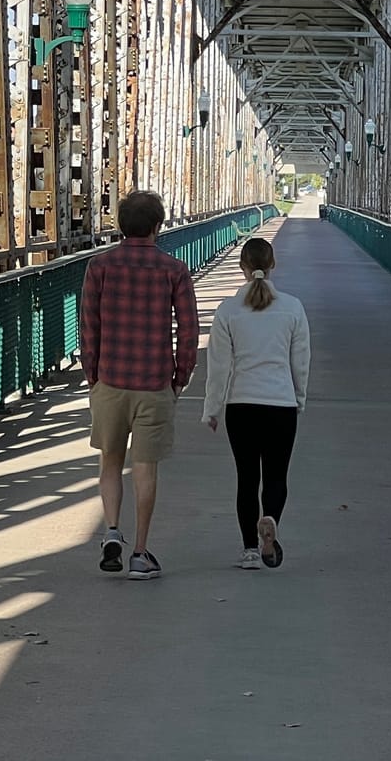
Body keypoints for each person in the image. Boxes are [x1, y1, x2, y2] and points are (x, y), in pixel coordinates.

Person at [81, 189, 199, 580]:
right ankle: (141, 553)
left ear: (120, 225)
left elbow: (89, 327)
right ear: (157, 226)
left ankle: (112, 530)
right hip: (153, 382)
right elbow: (188, 330)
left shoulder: (99, 267)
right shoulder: (174, 270)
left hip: (111, 379)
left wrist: (92, 374)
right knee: (145, 469)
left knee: (110, 462)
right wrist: (180, 377)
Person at [202, 236, 310, 569]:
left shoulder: (228, 310)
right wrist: (298, 398)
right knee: (277, 476)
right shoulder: (293, 307)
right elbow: (300, 360)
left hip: (241, 405)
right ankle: (271, 520)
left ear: (242, 268)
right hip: (280, 404)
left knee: (247, 479)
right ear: (272, 264)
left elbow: (218, 364)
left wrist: (212, 407)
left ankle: (250, 550)